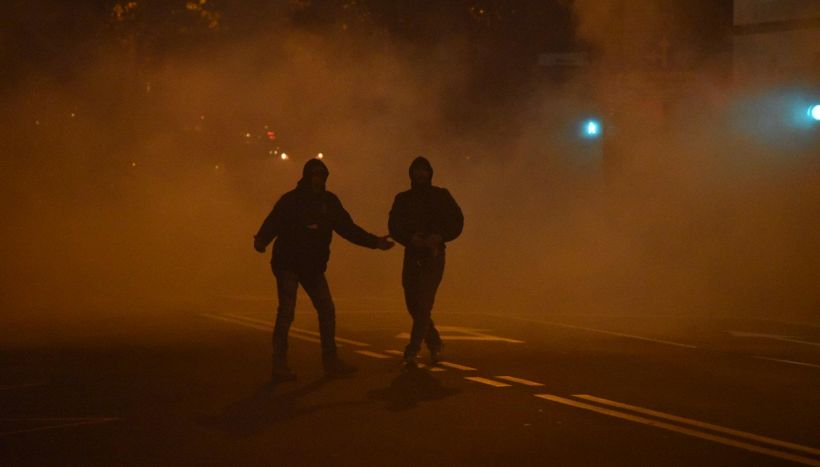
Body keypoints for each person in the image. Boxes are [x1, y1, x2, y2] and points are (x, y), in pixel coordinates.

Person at [254, 158, 394, 382]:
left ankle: (330, 362)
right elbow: (274, 222)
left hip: (312, 266)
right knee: (287, 313)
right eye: (316, 175)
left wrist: (375, 242)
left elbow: (348, 229)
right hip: (288, 263)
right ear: (307, 176)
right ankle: (280, 364)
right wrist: (261, 240)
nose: (319, 179)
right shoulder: (292, 200)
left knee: (326, 311)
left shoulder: (329, 202)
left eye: (322, 175)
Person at [388, 156, 463, 367]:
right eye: (417, 170)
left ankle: (412, 350)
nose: (421, 174)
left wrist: (440, 237)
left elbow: (457, 221)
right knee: (412, 303)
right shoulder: (403, 199)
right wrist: (410, 239)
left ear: (430, 173)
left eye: (424, 170)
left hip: (434, 255)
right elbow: (394, 225)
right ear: (411, 174)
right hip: (412, 254)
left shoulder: (441, 196)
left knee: (423, 304)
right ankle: (434, 340)